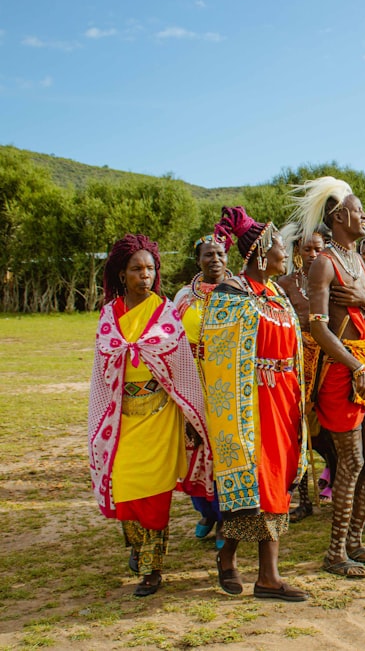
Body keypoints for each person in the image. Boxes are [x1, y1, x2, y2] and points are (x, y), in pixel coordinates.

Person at [88, 234, 213, 597]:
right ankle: (138, 544)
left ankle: (152, 569)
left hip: (160, 414)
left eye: (150, 269)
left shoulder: (165, 313)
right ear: (122, 274)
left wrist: (191, 414)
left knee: (155, 495)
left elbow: (183, 367)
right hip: (121, 416)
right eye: (136, 269)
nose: (145, 275)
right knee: (125, 485)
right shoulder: (110, 313)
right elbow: (102, 364)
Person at [201, 207, 309, 602]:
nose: (287, 253)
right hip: (249, 404)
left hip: (283, 397)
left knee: (275, 485)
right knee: (259, 486)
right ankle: (264, 575)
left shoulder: (277, 293)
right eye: (281, 247)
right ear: (262, 253)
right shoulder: (231, 294)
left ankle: (236, 560)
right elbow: (217, 355)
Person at [289, 177, 365, 579]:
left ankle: (354, 541)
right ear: (339, 216)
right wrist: (355, 367)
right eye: (358, 210)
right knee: (352, 461)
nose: (364, 216)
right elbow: (317, 327)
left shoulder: (358, 262)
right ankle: (334, 552)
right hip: (341, 370)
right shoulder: (324, 263)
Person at [174, 234, 231, 549]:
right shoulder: (184, 297)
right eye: (208, 255)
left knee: (225, 451)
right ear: (198, 261)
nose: (215, 260)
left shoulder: (239, 292)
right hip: (193, 383)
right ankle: (206, 512)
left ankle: (225, 519)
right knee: (194, 450)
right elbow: (172, 340)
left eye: (220, 253)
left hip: (228, 384)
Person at [276, 228, 335, 523]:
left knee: (327, 432)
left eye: (318, 249)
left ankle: (335, 478)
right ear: (297, 250)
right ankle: (302, 499)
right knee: (298, 433)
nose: (313, 255)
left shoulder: (331, 279)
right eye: (307, 249)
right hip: (296, 366)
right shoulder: (284, 284)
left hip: (328, 364)